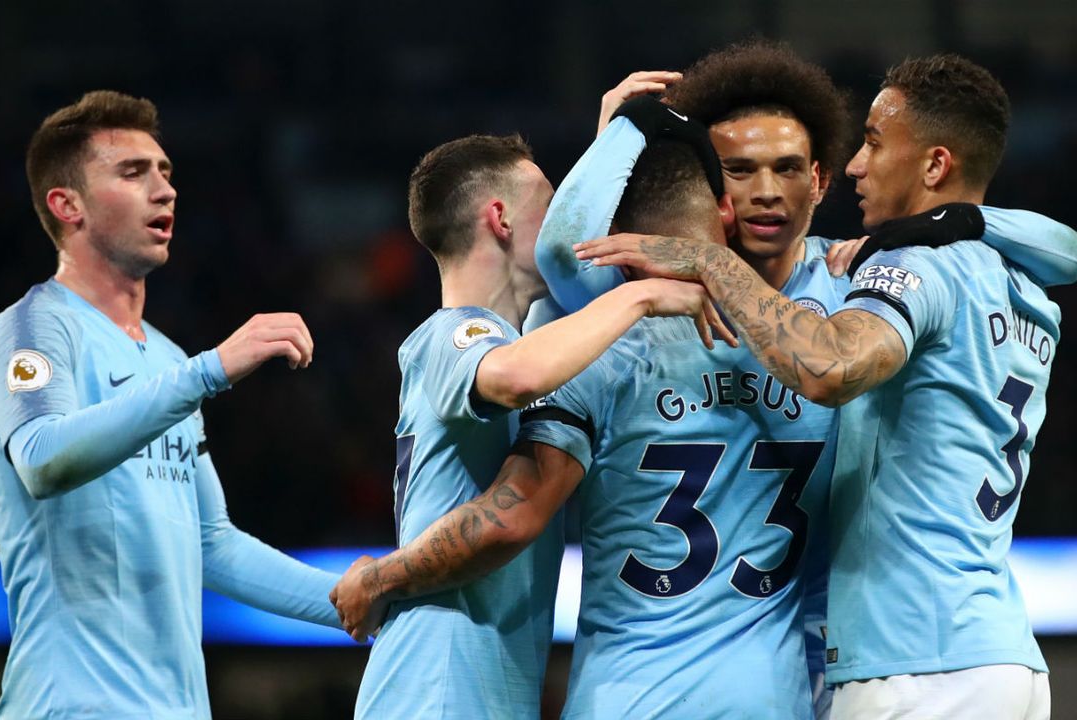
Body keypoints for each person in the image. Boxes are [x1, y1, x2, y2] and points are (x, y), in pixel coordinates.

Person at [575, 54, 1077, 719]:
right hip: (1001, 649)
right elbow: (1072, 250)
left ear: (934, 166)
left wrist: (706, 260)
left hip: (913, 658)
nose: (856, 165)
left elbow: (830, 367)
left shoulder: (906, 269)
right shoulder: (1018, 280)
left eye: (874, 143)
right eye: (740, 171)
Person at [334, 101, 834, 714]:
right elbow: (520, 369)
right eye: (556, 200)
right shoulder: (457, 337)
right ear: (500, 220)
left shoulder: (578, 344)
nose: (571, 220)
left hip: (581, 690)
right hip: (442, 681)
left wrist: (375, 580)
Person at [0, 90, 346, 719]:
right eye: (132, 172)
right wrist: (211, 371)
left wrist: (361, 595)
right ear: (68, 206)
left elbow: (212, 543)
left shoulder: (167, 360)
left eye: (166, 172)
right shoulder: (33, 328)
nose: (165, 189)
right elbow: (40, 458)